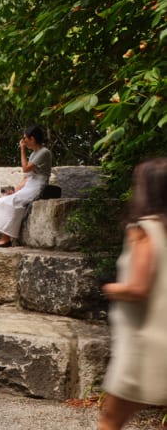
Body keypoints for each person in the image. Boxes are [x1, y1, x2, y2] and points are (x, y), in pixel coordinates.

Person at [98, 158, 167, 430]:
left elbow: (138, 288)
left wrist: (109, 288)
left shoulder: (143, 230)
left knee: (110, 420)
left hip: (141, 343)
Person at [0, 123, 52, 247]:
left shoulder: (44, 152)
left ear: (32, 139)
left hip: (38, 187)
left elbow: (25, 168)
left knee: (10, 203)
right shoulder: (34, 153)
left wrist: (22, 150)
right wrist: (15, 190)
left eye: (25, 138)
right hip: (29, 185)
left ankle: (6, 238)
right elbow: (27, 177)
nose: (24, 141)